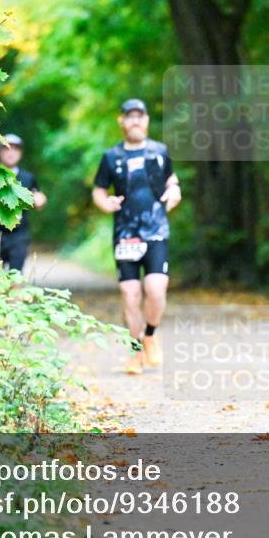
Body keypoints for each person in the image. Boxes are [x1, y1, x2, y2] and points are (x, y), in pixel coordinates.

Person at [92, 98, 181, 374]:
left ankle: (150, 335)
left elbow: (172, 180)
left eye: (139, 116)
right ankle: (134, 352)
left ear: (147, 120)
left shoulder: (159, 151)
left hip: (156, 230)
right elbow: (99, 190)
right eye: (129, 116)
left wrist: (175, 191)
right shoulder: (111, 157)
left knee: (155, 288)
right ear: (121, 121)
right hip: (125, 233)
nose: (135, 121)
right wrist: (105, 203)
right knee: (130, 294)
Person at [0, 133, 47, 272]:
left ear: (21, 153)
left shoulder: (28, 177)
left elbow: (37, 197)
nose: (11, 153)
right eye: (7, 148)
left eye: (15, 149)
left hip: (19, 235)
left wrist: (40, 200)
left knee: (16, 279)